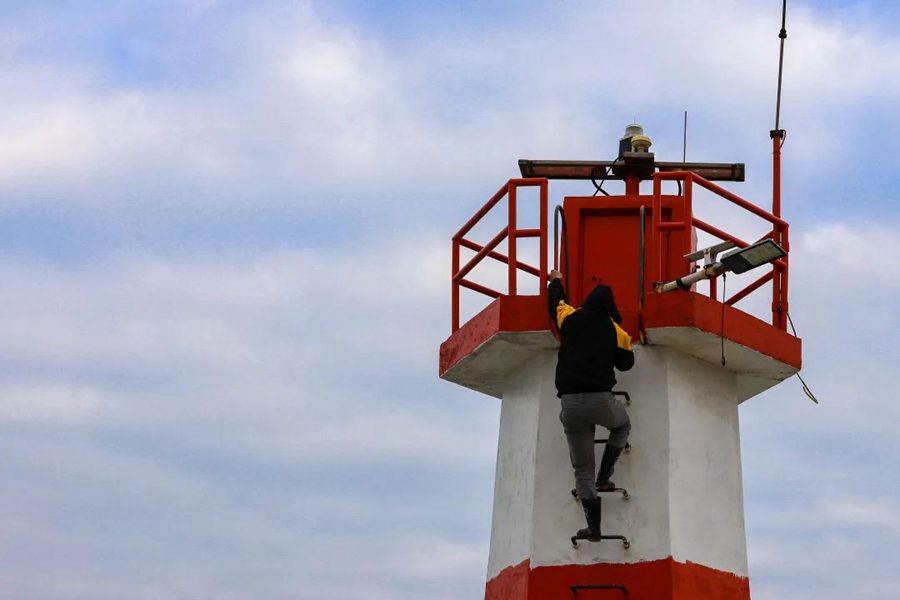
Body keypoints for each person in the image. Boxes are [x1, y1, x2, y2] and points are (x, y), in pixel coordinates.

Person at [548, 269, 634, 541]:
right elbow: (626, 364)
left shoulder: (570, 317)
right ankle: (605, 476)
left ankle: (594, 528)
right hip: (600, 400)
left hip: (570, 405)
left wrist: (556, 280)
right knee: (622, 426)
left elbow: (555, 303)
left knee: (581, 469)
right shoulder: (614, 329)